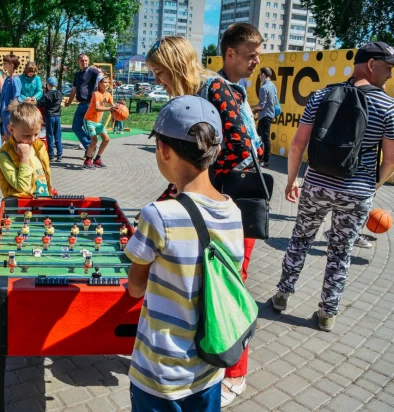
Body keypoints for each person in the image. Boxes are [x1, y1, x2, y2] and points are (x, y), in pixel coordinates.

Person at [145, 29, 264, 407]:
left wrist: (196, 186)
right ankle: (206, 353)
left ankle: (235, 373)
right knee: (201, 286)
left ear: (176, 65)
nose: (158, 81)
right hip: (208, 203)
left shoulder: (213, 90)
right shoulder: (195, 94)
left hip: (232, 207)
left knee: (228, 289)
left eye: (161, 73)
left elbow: (241, 147)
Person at [125, 95, 243, 411]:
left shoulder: (157, 215)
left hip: (159, 372)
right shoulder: (233, 212)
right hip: (209, 368)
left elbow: (135, 289)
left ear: (164, 150)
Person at [272, 41, 394, 331]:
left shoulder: (323, 94)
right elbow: (390, 160)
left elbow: (298, 144)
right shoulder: (388, 106)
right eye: (388, 68)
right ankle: (328, 313)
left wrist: (292, 181)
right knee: (340, 252)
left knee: (300, 240)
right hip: (357, 191)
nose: (389, 75)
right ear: (372, 64)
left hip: (316, 185)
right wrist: (373, 186)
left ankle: (281, 296)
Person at [0, 101, 52, 197]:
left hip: (42, 204)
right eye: (27, 135)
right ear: (11, 130)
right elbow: (23, 188)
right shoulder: (5, 156)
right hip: (21, 208)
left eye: (36, 134)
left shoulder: (38, 147)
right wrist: (24, 157)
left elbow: (44, 176)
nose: (32, 140)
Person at [65, 54, 101, 153]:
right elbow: (73, 90)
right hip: (81, 105)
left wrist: (100, 94)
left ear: (88, 61)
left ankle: (90, 151)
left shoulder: (92, 71)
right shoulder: (77, 74)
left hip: (89, 105)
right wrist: (68, 102)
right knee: (75, 127)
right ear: (78, 62)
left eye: (86, 60)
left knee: (89, 129)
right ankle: (89, 146)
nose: (84, 62)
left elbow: (102, 78)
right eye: (82, 60)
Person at [83, 75, 115, 169]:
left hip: (98, 122)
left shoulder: (108, 95)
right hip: (89, 120)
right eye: (104, 82)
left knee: (106, 139)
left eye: (108, 82)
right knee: (94, 140)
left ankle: (97, 159)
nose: (106, 84)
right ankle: (87, 160)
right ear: (99, 83)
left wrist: (118, 109)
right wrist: (110, 108)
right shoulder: (96, 94)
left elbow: (113, 107)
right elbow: (97, 108)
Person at [251, 67, 278, 167]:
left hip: (265, 116)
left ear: (263, 75)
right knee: (259, 138)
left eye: (259, 74)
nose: (259, 77)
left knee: (264, 139)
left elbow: (261, 105)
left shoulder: (263, 88)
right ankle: (258, 158)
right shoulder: (273, 86)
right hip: (269, 115)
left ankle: (264, 161)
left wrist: (250, 107)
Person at [37, 76, 63, 161]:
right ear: (55, 85)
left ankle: (51, 155)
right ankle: (59, 154)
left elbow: (41, 104)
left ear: (48, 85)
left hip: (49, 116)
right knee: (58, 135)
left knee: (50, 136)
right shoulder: (59, 94)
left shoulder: (47, 95)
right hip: (57, 116)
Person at [0, 54, 22, 143]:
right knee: (6, 135)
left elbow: (16, 96)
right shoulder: (8, 78)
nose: (3, 64)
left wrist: (8, 108)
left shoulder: (15, 79)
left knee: (11, 135)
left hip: (9, 113)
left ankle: (13, 155)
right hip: (4, 112)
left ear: (11, 65)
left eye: (5, 63)